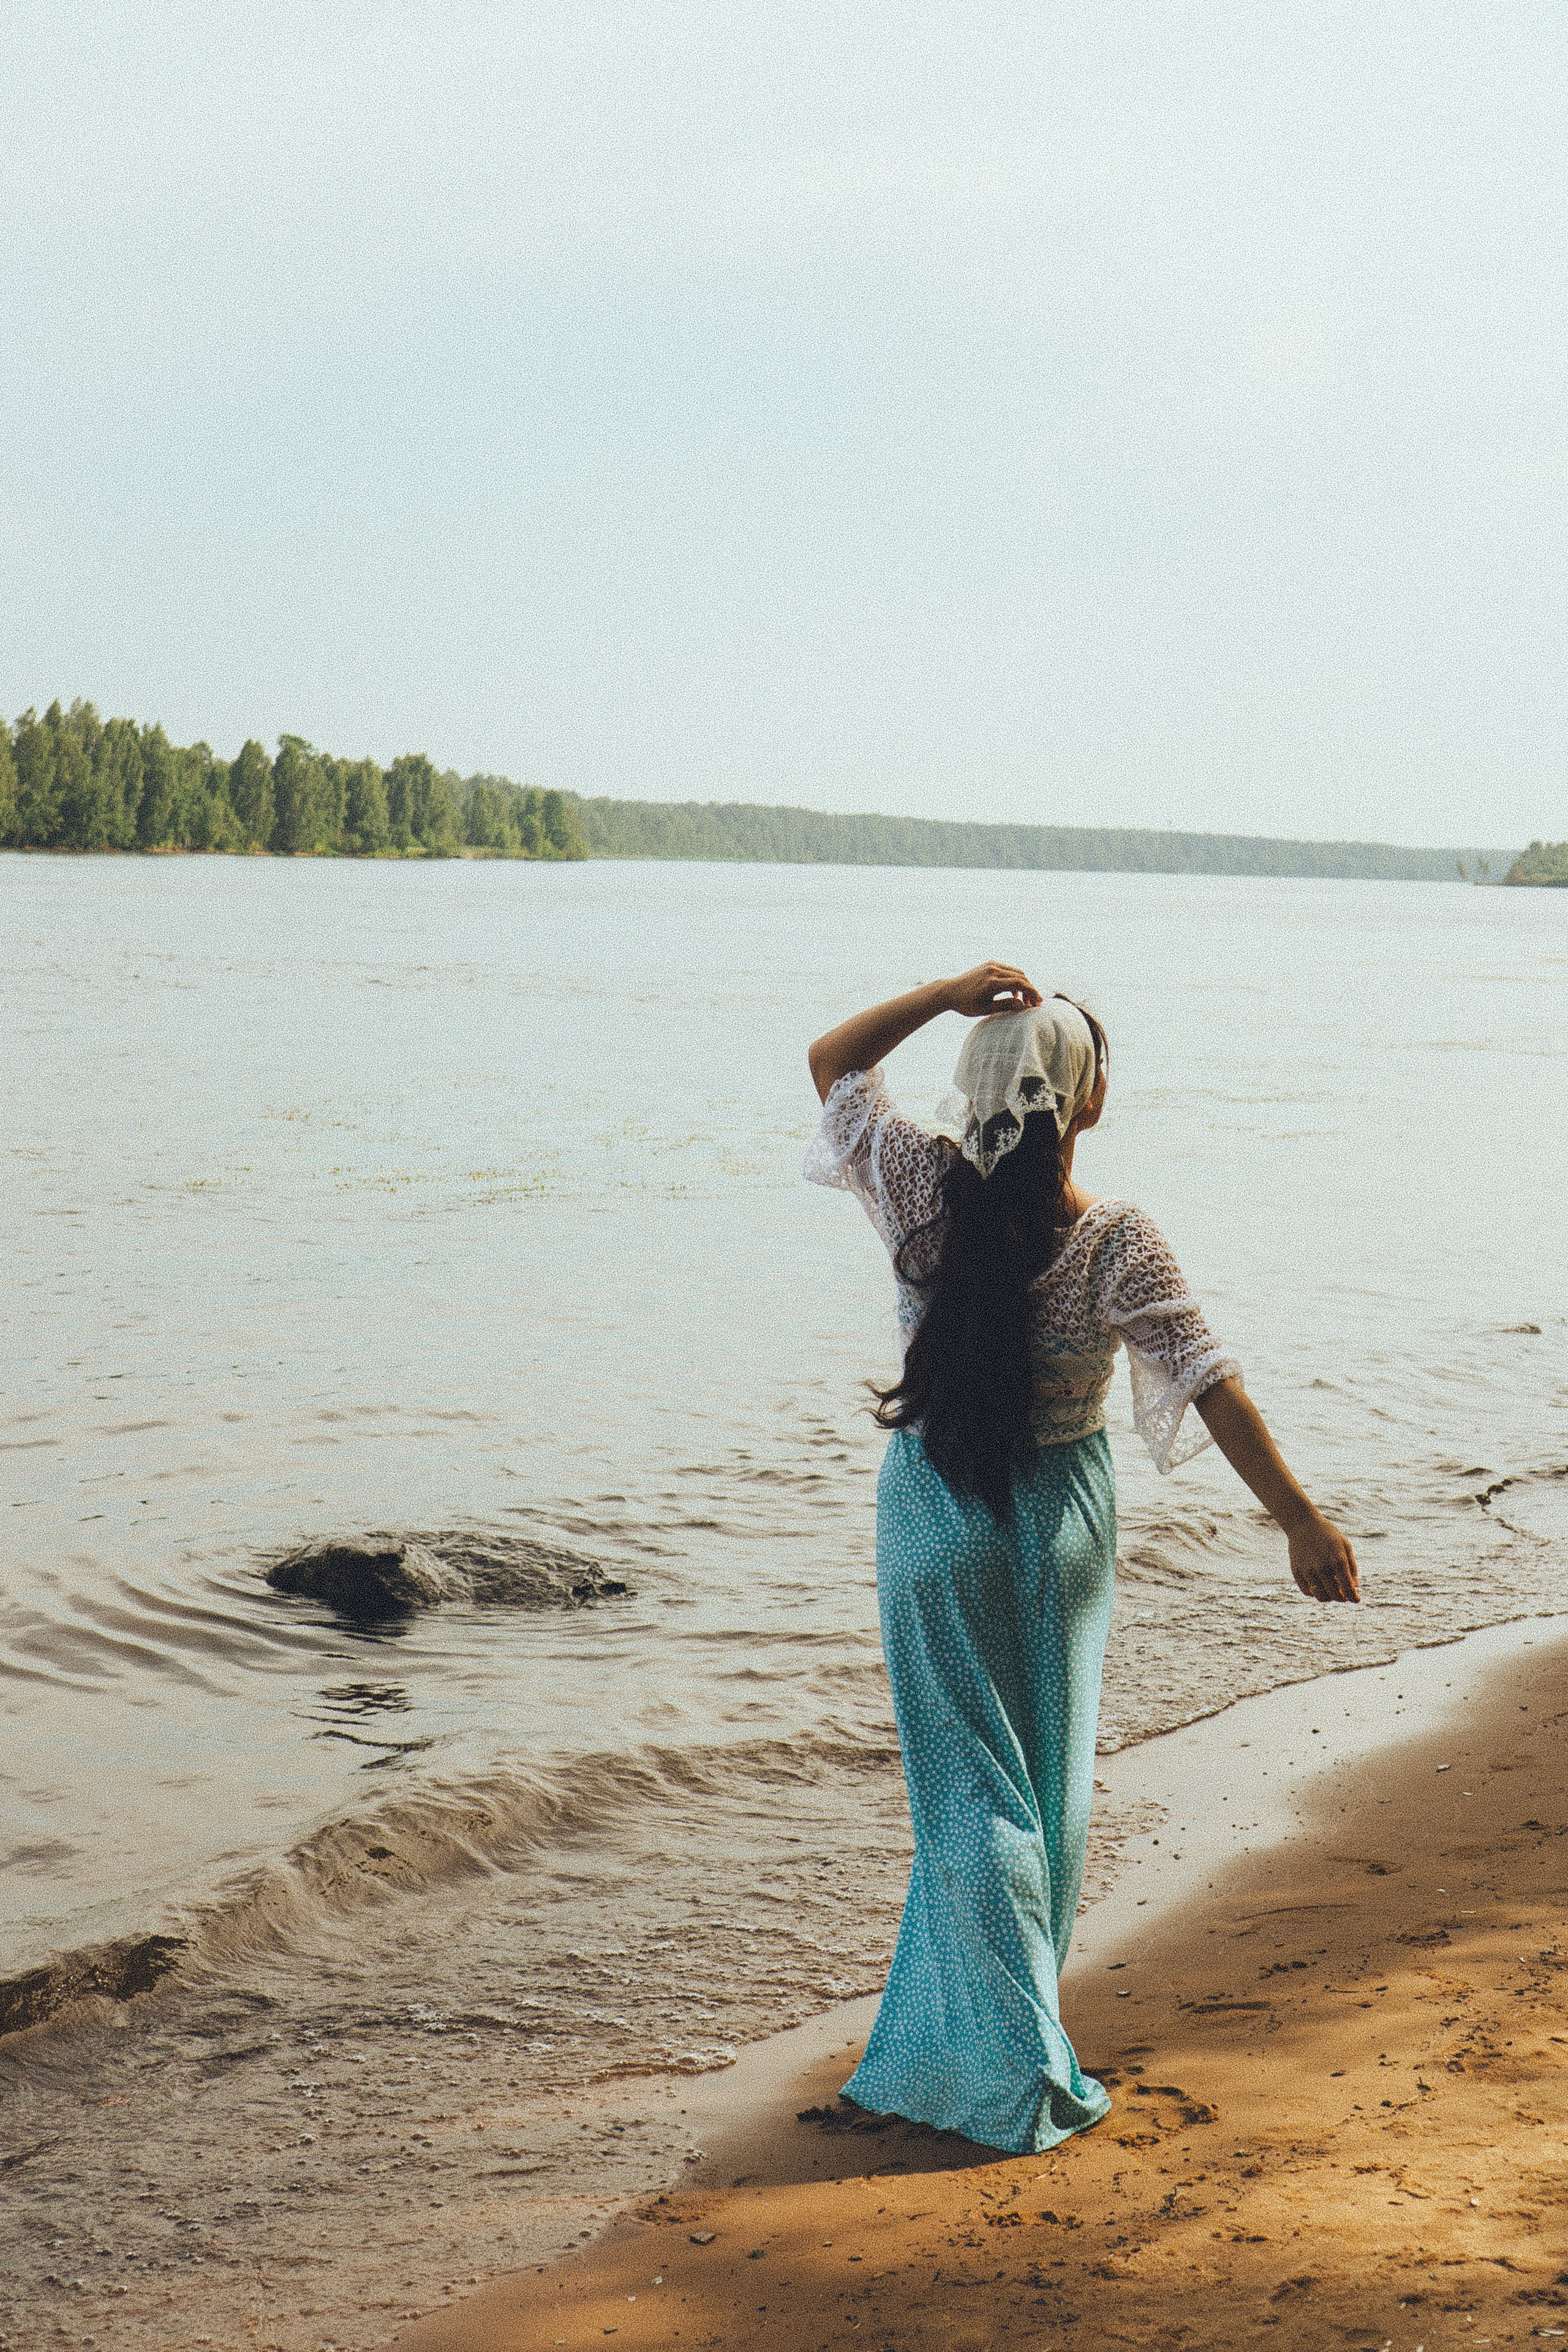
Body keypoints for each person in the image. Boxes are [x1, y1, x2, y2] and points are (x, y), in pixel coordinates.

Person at [805, 962, 1359, 2155]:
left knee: (964, 1795)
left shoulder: (913, 1184)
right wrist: (1300, 1523)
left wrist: (947, 991)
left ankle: (956, 2056)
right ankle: (1008, 2060)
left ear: (969, 1091)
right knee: (1040, 1796)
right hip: (1057, 1530)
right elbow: (1211, 1389)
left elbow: (831, 1064)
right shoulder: (1114, 1238)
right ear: (1085, 1103)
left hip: (933, 1520)